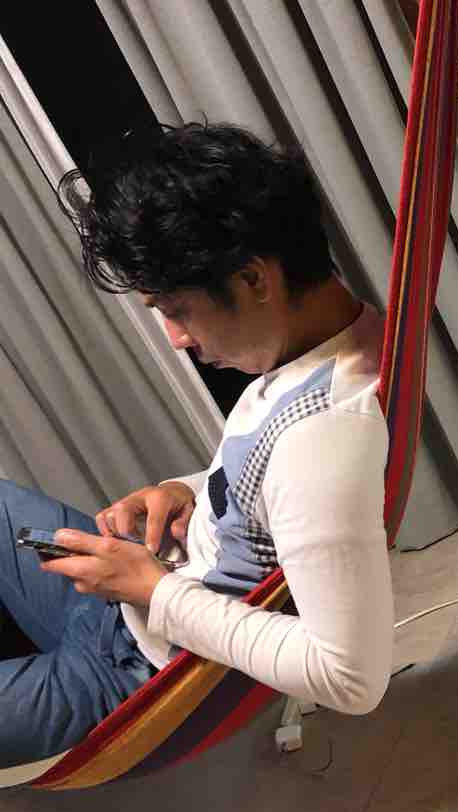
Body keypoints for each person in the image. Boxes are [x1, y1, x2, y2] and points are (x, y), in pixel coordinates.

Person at [0, 122, 394, 767]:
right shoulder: (321, 349)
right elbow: (264, 495)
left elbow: (351, 677)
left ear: (254, 279)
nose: (177, 338)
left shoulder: (324, 440)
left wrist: (153, 590)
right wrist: (184, 491)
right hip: (126, 593)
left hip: (126, 669)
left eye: (176, 310)